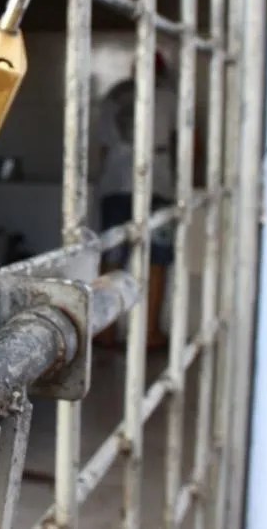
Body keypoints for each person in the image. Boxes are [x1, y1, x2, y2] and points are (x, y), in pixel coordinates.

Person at [94, 52, 178, 350]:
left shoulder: (113, 96)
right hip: (156, 185)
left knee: (112, 256)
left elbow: (102, 149)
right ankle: (149, 333)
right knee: (157, 259)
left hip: (114, 185)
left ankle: (104, 330)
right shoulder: (169, 97)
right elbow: (186, 143)